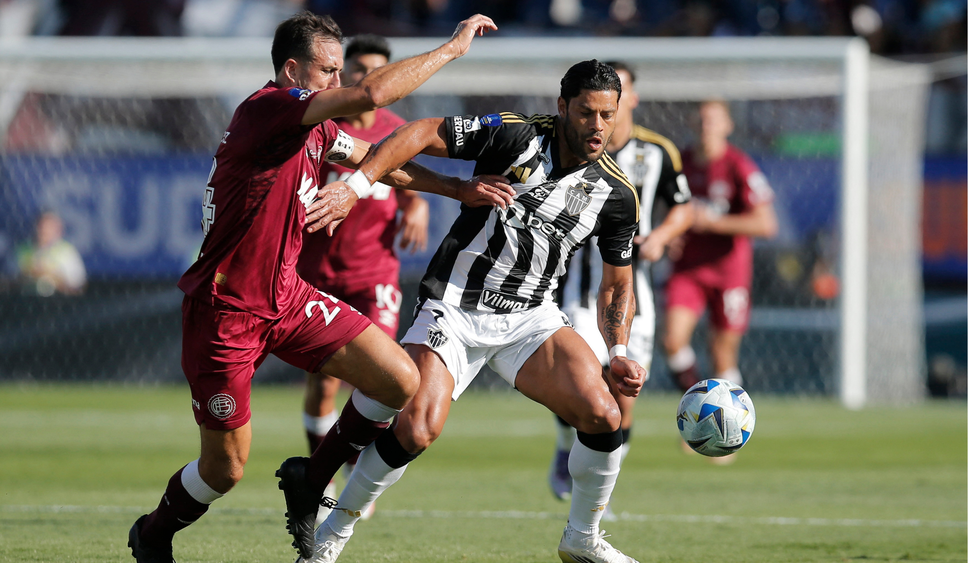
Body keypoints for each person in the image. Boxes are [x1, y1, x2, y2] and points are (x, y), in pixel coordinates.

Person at [126, 11, 509, 563]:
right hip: (225, 313)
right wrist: (451, 50)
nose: (337, 83)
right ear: (291, 69)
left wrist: (456, 188)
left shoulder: (313, 127)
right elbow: (373, 94)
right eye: (328, 71)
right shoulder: (269, 110)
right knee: (225, 468)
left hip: (287, 298)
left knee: (399, 379)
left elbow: (379, 162)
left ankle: (312, 478)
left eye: (338, 71)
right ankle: (155, 531)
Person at [303, 59, 646, 563]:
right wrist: (356, 188)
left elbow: (618, 286)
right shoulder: (516, 137)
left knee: (602, 413)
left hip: (532, 319)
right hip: (455, 306)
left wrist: (617, 349)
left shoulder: (617, 195)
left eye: (607, 115)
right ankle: (332, 534)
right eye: (586, 112)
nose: (597, 126)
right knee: (418, 427)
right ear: (562, 107)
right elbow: (419, 132)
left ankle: (583, 538)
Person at [295, 33, 429, 521]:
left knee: (381, 374)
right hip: (317, 275)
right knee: (323, 387)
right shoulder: (318, 124)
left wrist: (416, 208)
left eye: (378, 69)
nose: (368, 77)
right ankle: (321, 473)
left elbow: (407, 177)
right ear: (345, 73)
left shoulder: (397, 129)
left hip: (375, 275)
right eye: (359, 69)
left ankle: (354, 468)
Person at [550, 61, 693, 506]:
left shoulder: (658, 152)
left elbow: (684, 207)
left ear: (628, 98)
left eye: (618, 95)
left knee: (623, 399)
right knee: (583, 386)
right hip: (576, 286)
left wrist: (661, 238)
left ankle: (599, 496)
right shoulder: (575, 148)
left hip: (635, 294)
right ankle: (564, 445)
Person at [663, 100, 778, 393]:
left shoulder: (738, 166)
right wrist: (669, 235)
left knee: (722, 355)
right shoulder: (680, 164)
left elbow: (766, 224)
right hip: (688, 269)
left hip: (729, 273)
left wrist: (714, 222)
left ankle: (729, 426)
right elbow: (664, 210)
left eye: (714, 120)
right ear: (692, 123)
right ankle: (696, 413)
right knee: (672, 341)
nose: (706, 126)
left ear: (728, 126)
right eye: (701, 119)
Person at [8, 210, 87, 296]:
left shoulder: (67, 251)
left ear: (58, 230)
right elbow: (5, 282)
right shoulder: (21, 250)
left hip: (58, 304)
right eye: (41, 226)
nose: (43, 231)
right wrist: (29, 275)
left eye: (49, 227)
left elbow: (79, 287)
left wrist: (52, 277)